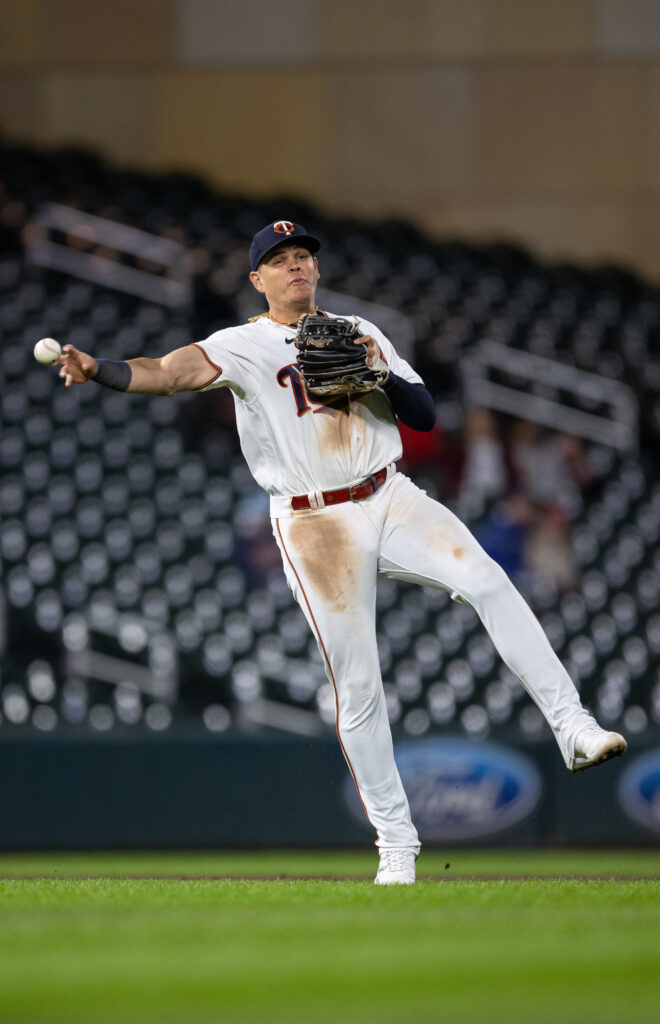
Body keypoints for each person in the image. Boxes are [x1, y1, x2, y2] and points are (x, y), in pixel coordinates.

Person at [58, 220, 627, 885]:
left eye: (303, 255)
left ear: (316, 270)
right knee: (357, 686)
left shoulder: (359, 331)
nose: (295, 264)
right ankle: (395, 842)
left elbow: (422, 416)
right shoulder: (241, 344)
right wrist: (100, 370)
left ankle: (574, 728)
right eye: (279, 259)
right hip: (313, 522)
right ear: (257, 280)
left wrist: (378, 370)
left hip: (390, 494)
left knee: (489, 581)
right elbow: (169, 371)